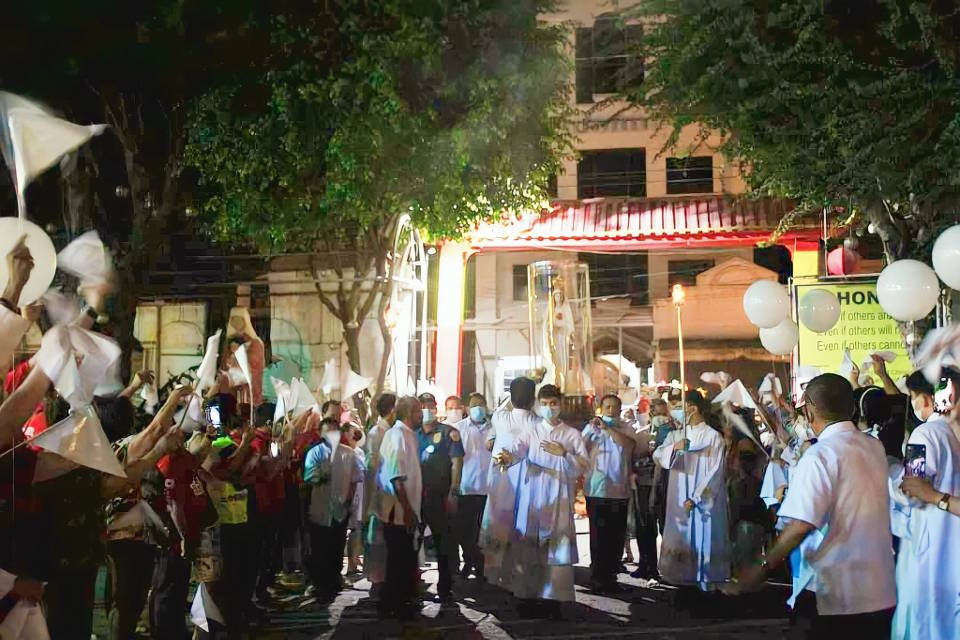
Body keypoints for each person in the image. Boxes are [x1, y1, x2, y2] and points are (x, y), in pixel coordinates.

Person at [730, 374, 896, 639]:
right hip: (879, 589)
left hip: (834, 592)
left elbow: (800, 526)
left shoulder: (820, 455)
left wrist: (762, 567)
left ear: (808, 409)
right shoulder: (874, 447)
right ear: (851, 408)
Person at [494, 384, 588, 618]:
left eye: (553, 404)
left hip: (558, 496)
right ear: (538, 404)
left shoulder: (571, 435)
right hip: (533, 495)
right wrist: (506, 456)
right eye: (544, 404)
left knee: (555, 549)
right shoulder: (533, 431)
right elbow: (516, 450)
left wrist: (564, 454)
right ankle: (526, 596)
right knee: (529, 548)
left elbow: (584, 466)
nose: (549, 408)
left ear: (561, 404)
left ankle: (554, 600)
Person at [888, 369, 960, 640]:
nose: (914, 404)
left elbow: (911, 490)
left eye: (914, 398)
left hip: (934, 544)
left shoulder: (923, 436)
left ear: (929, 399)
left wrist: (891, 484)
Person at [653, 390, 729, 593]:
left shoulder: (713, 437)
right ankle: (682, 583)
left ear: (692, 408)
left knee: (703, 536)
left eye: (679, 407)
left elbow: (715, 471)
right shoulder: (676, 435)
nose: (675, 411)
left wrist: (696, 497)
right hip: (678, 495)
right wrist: (675, 448)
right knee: (682, 539)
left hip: (703, 500)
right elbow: (658, 456)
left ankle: (706, 585)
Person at [480, 377, 539, 589]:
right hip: (526, 486)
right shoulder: (537, 422)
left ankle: (495, 576)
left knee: (498, 527)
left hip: (500, 483)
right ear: (534, 399)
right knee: (520, 529)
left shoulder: (500, 417)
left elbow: (504, 405)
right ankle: (520, 577)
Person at [303, 417, 364, 604]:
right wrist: (321, 474)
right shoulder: (315, 453)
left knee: (337, 546)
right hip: (320, 509)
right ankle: (319, 583)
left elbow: (355, 479)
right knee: (319, 547)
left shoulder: (349, 454)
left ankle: (334, 579)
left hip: (340, 509)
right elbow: (308, 477)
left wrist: (349, 503)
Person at [582, 394, 636, 593]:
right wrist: (593, 429)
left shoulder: (626, 427)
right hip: (596, 489)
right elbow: (579, 447)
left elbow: (629, 445)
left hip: (619, 490)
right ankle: (598, 575)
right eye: (607, 406)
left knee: (616, 536)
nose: (611, 410)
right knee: (598, 536)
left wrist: (608, 428)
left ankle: (611, 574)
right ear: (601, 407)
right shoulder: (591, 428)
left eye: (614, 406)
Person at [376, 396, 423, 620]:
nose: (422, 415)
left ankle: (402, 600)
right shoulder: (396, 436)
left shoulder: (407, 435)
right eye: (419, 411)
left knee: (404, 559)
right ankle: (393, 604)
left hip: (406, 510)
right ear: (410, 412)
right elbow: (396, 478)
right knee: (398, 559)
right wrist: (408, 510)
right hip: (398, 511)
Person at [415, 392, 464, 605]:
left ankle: (445, 588)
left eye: (430, 406)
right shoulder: (412, 433)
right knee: (413, 543)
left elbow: (457, 462)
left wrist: (454, 490)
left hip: (440, 496)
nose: (427, 410)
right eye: (423, 406)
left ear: (436, 409)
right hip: (416, 496)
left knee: (443, 542)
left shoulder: (448, 433)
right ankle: (413, 585)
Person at [455, 392, 493, 580]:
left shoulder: (494, 429)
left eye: (481, 404)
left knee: (482, 531)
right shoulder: (458, 429)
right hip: (465, 488)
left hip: (487, 489)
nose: (478, 408)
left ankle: (480, 566)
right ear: (468, 408)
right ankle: (468, 560)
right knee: (464, 531)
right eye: (474, 405)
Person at [363, 393, 396, 594]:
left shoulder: (393, 431)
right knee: (378, 538)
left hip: (392, 492)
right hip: (381, 490)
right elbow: (372, 463)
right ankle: (377, 578)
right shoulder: (377, 433)